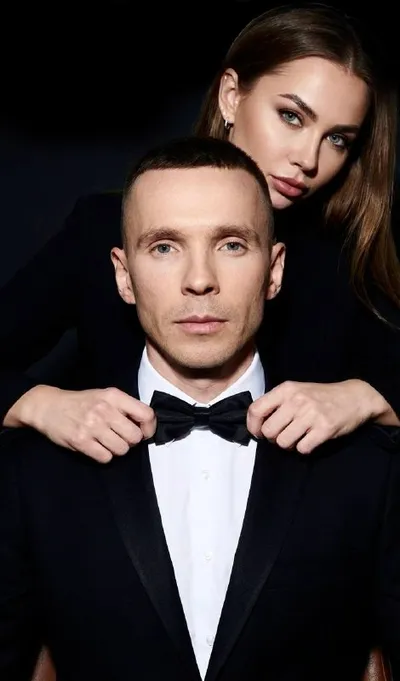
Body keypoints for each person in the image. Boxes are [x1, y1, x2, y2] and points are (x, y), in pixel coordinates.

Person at [0, 136, 399, 681]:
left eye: (231, 244)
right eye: (165, 247)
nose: (199, 280)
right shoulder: (33, 472)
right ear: (123, 275)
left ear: (275, 270)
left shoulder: (368, 467)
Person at [1, 4, 399, 463]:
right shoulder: (103, 228)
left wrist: (366, 398)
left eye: (337, 139)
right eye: (292, 116)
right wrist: (39, 404)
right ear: (231, 96)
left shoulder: (344, 258)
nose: (308, 159)